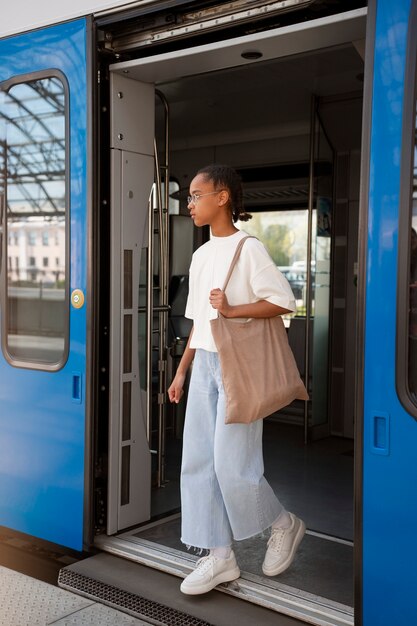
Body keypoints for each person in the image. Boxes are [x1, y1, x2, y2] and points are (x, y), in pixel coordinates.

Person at [168, 164, 305, 596]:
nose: (190, 203)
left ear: (222, 197)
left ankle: (283, 523)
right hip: (204, 363)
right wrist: (181, 369)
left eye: (196, 195)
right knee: (197, 463)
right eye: (189, 197)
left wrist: (233, 310)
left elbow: (284, 301)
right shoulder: (200, 254)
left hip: (235, 367)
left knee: (232, 466)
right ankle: (219, 556)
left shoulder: (248, 249)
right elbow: (198, 321)